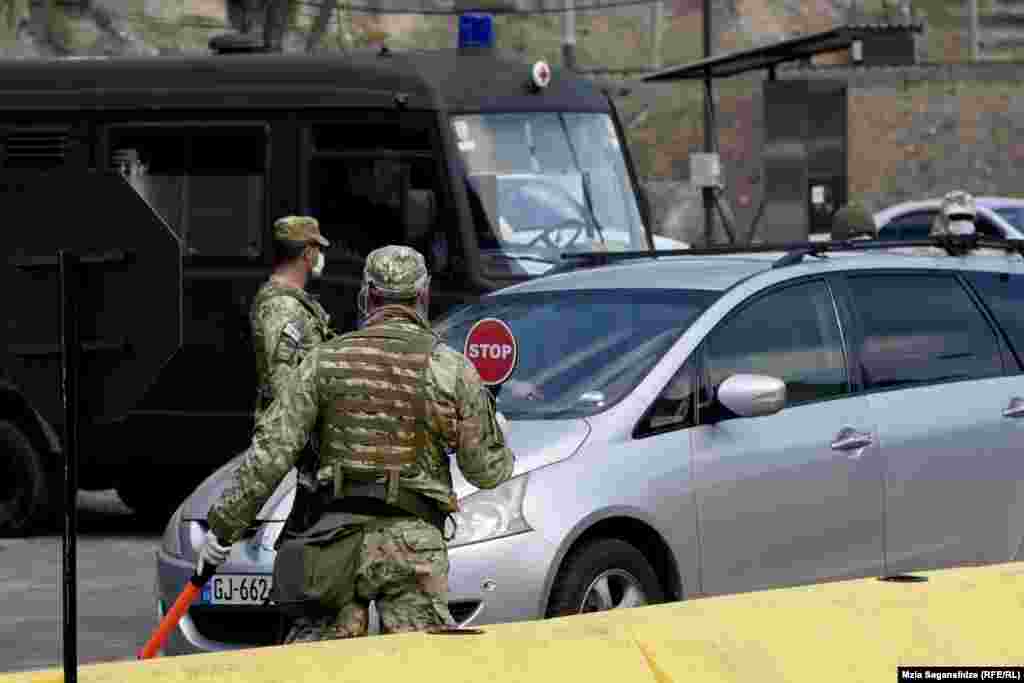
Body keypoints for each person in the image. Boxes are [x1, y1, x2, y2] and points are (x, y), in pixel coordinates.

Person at [198, 245, 516, 643]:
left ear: (366, 296)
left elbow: (271, 453)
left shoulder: (322, 361)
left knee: (319, 669)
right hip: (411, 546)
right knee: (418, 667)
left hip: (330, 543)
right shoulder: (451, 368)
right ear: (423, 295)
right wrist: (496, 432)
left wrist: (223, 530)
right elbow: (486, 472)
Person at [250, 215, 335, 422]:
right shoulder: (283, 306)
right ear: (307, 253)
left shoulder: (292, 301)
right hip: (288, 438)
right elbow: (281, 382)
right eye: (317, 249)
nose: (320, 255)